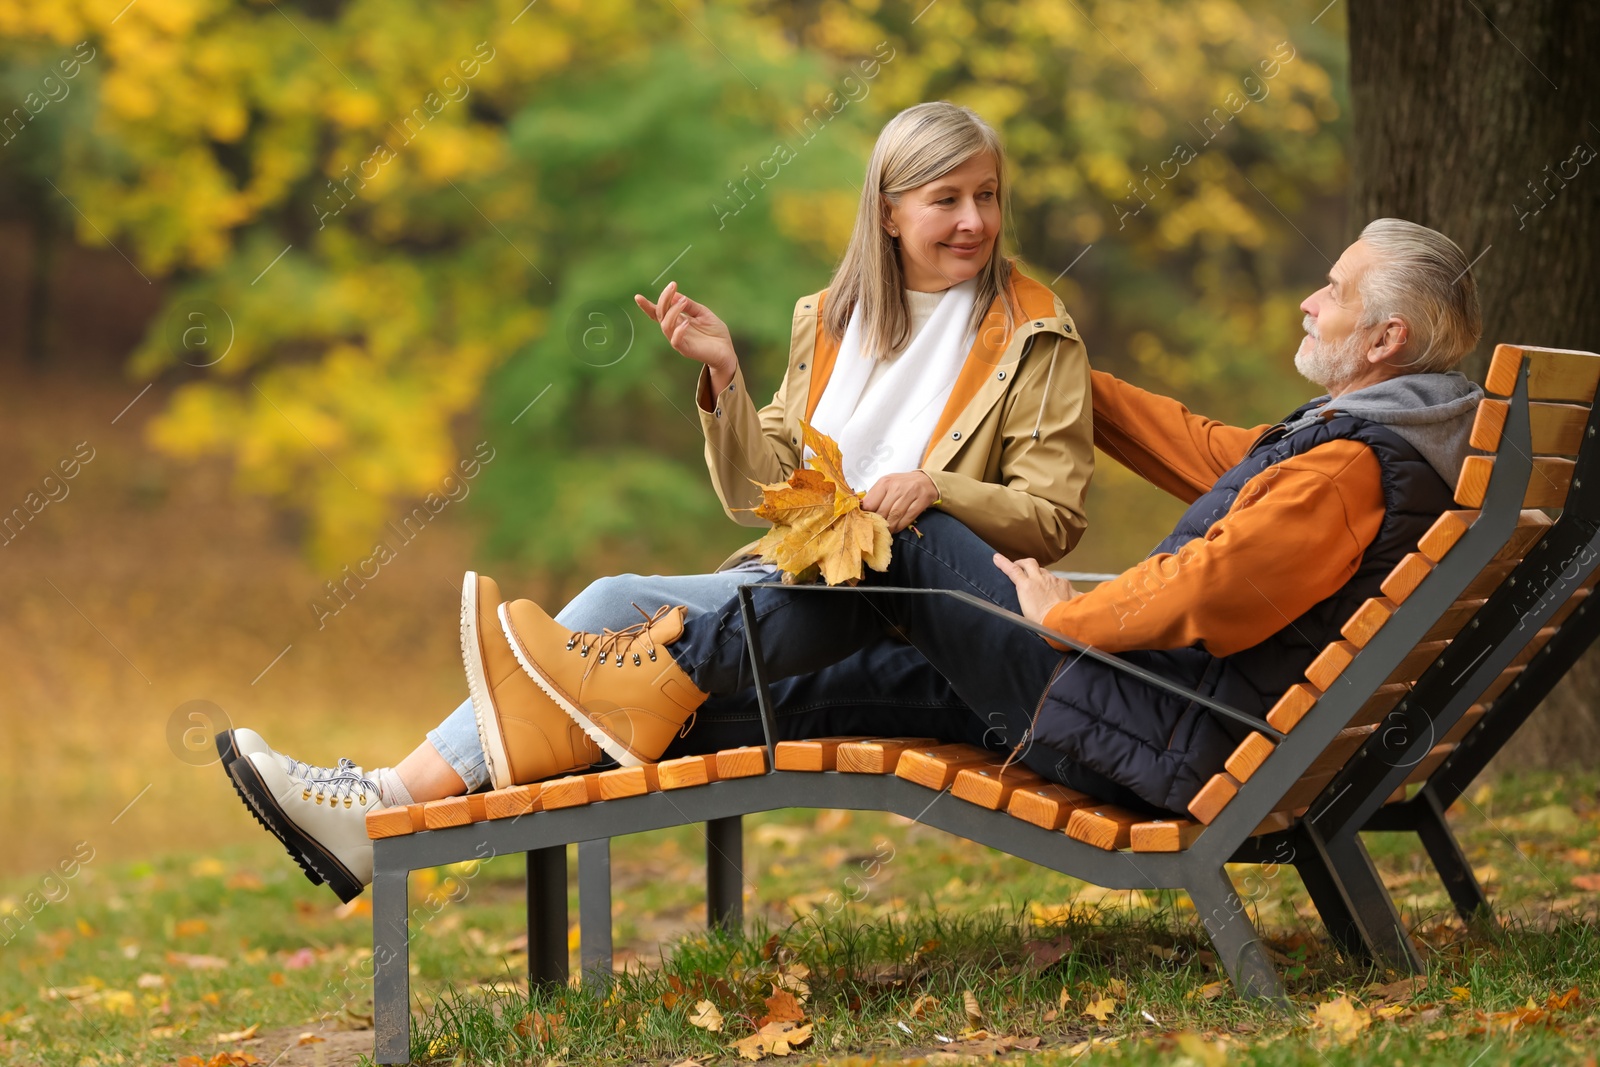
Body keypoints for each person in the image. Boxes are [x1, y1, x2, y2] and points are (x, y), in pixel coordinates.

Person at [227, 218, 1484, 903]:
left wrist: (1065, 615)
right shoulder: (1382, 440)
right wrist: (1038, 367)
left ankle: (556, 693)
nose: (1308, 302)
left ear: (1381, 335)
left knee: (909, 540)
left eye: (1329, 291)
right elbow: (1209, 447)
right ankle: (382, 807)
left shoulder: (1350, 465)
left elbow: (1221, 584)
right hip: (1189, 724)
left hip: (1149, 723)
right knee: (711, 663)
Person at [221, 101, 1095, 901]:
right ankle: (377, 810)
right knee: (604, 636)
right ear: (889, 211)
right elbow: (766, 496)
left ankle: (375, 807)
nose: (975, 220)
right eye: (947, 199)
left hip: (921, 624)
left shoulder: (1033, 333)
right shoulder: (832, 318)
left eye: (986, 195)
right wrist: (724, 376)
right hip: (796, 594)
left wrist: (936, 487)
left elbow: (1052, 517)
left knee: (604, 624)